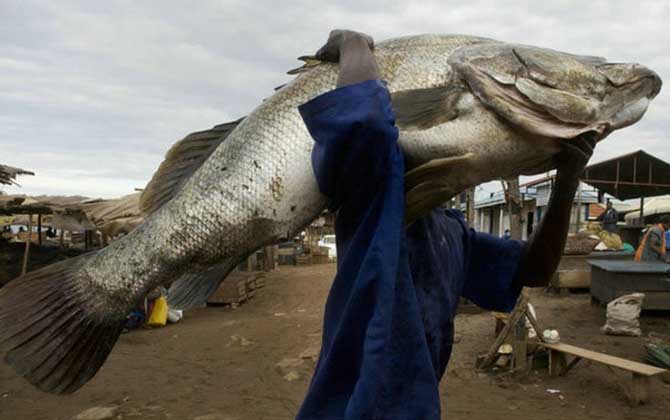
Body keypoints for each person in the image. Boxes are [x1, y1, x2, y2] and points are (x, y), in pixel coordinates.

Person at [296, 30, 596, 419]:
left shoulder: (451, 232)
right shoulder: (372, 203)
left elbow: (533, 270)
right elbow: (365, 126)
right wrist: (353, 44)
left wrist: (568, 179)